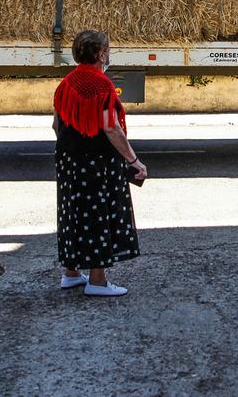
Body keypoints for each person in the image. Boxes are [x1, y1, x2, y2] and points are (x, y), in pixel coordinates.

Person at [52, 30, 147, 297]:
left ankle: (71, 274)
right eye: (107, 50)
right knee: (99, 216)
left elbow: (56, 125)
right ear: (101, 54)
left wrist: (72, 150)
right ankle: (97, 281)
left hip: (68, 161)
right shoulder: (100, 85)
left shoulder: (66, 84)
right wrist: (134, 161)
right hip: (97, 163)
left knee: (73, 213)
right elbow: (110, 127)